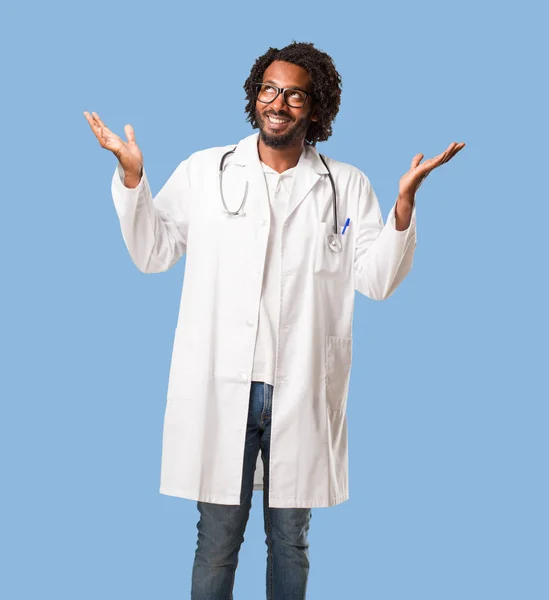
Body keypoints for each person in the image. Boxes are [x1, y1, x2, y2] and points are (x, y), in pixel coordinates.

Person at [84, 41, 464, 600]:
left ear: (316, 107)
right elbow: (153, 252)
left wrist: (404, 205)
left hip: (299, 391)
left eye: (293, 94)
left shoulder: (346, 185)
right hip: (222, 392)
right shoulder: (205, 171)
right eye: (268, 89)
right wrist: (134, 179)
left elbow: (377, 279)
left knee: (291, 541)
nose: (277, 102)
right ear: (254, 97)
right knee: (216, 541)